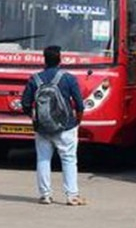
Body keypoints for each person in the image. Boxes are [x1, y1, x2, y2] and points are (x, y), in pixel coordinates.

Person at [21, 45, 87, 206]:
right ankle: (72, 196)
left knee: (43, 159)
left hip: (42, 128)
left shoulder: (35, 79)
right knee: (69, 159)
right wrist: (77, 120)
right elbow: (79, 103)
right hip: (66, 126)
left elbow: (25, 103)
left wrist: (36, 118)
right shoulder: (68, 78)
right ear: (60, 59)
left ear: (44, 59)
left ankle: (45, 195)